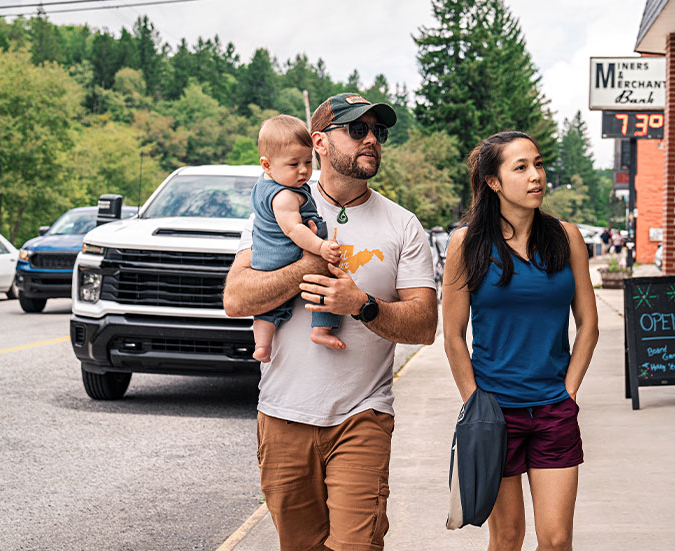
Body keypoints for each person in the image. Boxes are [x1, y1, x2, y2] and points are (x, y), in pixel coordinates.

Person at [223, 93, 438, 551]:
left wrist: (361, 303)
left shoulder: (403, 226)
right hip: (283, 414)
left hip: (362, 415)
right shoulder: (275, 211)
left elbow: (423, 325)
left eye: (378, 132)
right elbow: (236, 299)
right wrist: (307, 265)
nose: (372, 140)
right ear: (319, 142)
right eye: (357, 130)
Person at [441, 130, 599, 551]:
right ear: (493, 181)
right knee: (507, 537)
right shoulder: (466, 243)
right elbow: (454, 336)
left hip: (553, 411)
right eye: (521, 167)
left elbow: (588, 324)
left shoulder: (567, 238)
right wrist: (476, 402)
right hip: (495, 415)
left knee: (556, 539)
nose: (536, 176)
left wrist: (568, 391)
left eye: (539, 164)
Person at [249, 114, 343, 361]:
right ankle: (321, 329)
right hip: (287, 256)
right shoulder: (285, 196)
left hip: (265, 260)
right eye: (293, 165)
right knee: (324, 287)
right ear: (266, 165)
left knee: (268, 309)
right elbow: (294, 230)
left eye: (307, 162)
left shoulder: (265, 185)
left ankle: (262, 346)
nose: (303, 171)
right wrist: (320, 247)